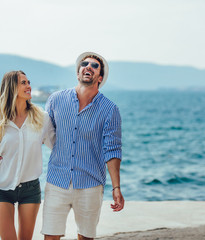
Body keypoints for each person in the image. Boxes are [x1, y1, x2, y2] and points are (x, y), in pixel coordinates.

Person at [42, 52, 124, 240]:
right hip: (56, 181)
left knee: (86, 237)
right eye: (84, 64)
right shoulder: (55, 100)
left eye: (94, 66)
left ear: (100, 77)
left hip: (90, 185)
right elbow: (43, 133)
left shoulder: (110, 109)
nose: (88, 66)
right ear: (78, 72)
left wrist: (116, 187)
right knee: (50, 237)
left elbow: (112, 149)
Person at [0, 70, 55, 240]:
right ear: (12, 88)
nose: (29, 86)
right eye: (23, 83)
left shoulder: (42, 118)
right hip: (2, 189)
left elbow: (57, 146)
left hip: (30, 189)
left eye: (28, 82)